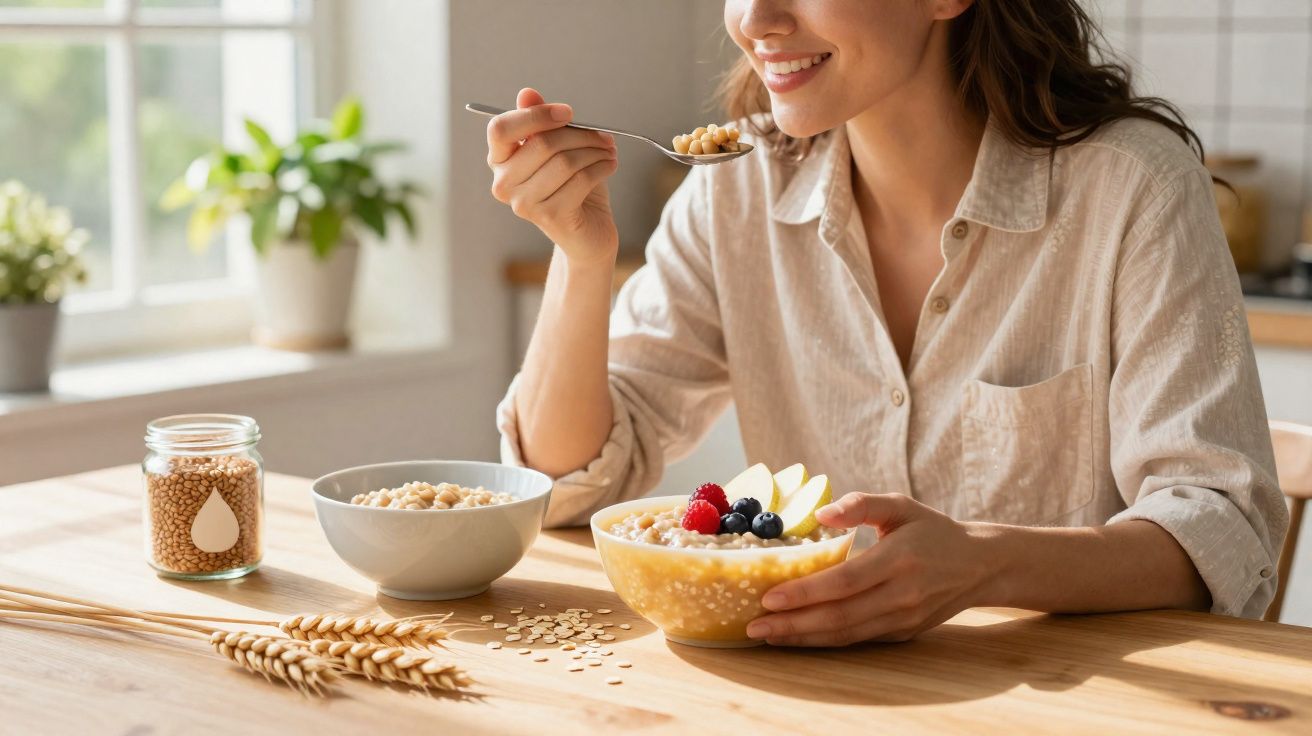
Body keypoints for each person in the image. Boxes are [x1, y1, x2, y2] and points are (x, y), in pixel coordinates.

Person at [482, 0, 1288, 646]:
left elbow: (1218, 527)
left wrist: (985, 565)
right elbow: (566, 484)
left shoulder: (1131, 188)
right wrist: (580, 259)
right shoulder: (734, 192)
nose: (756, 18)